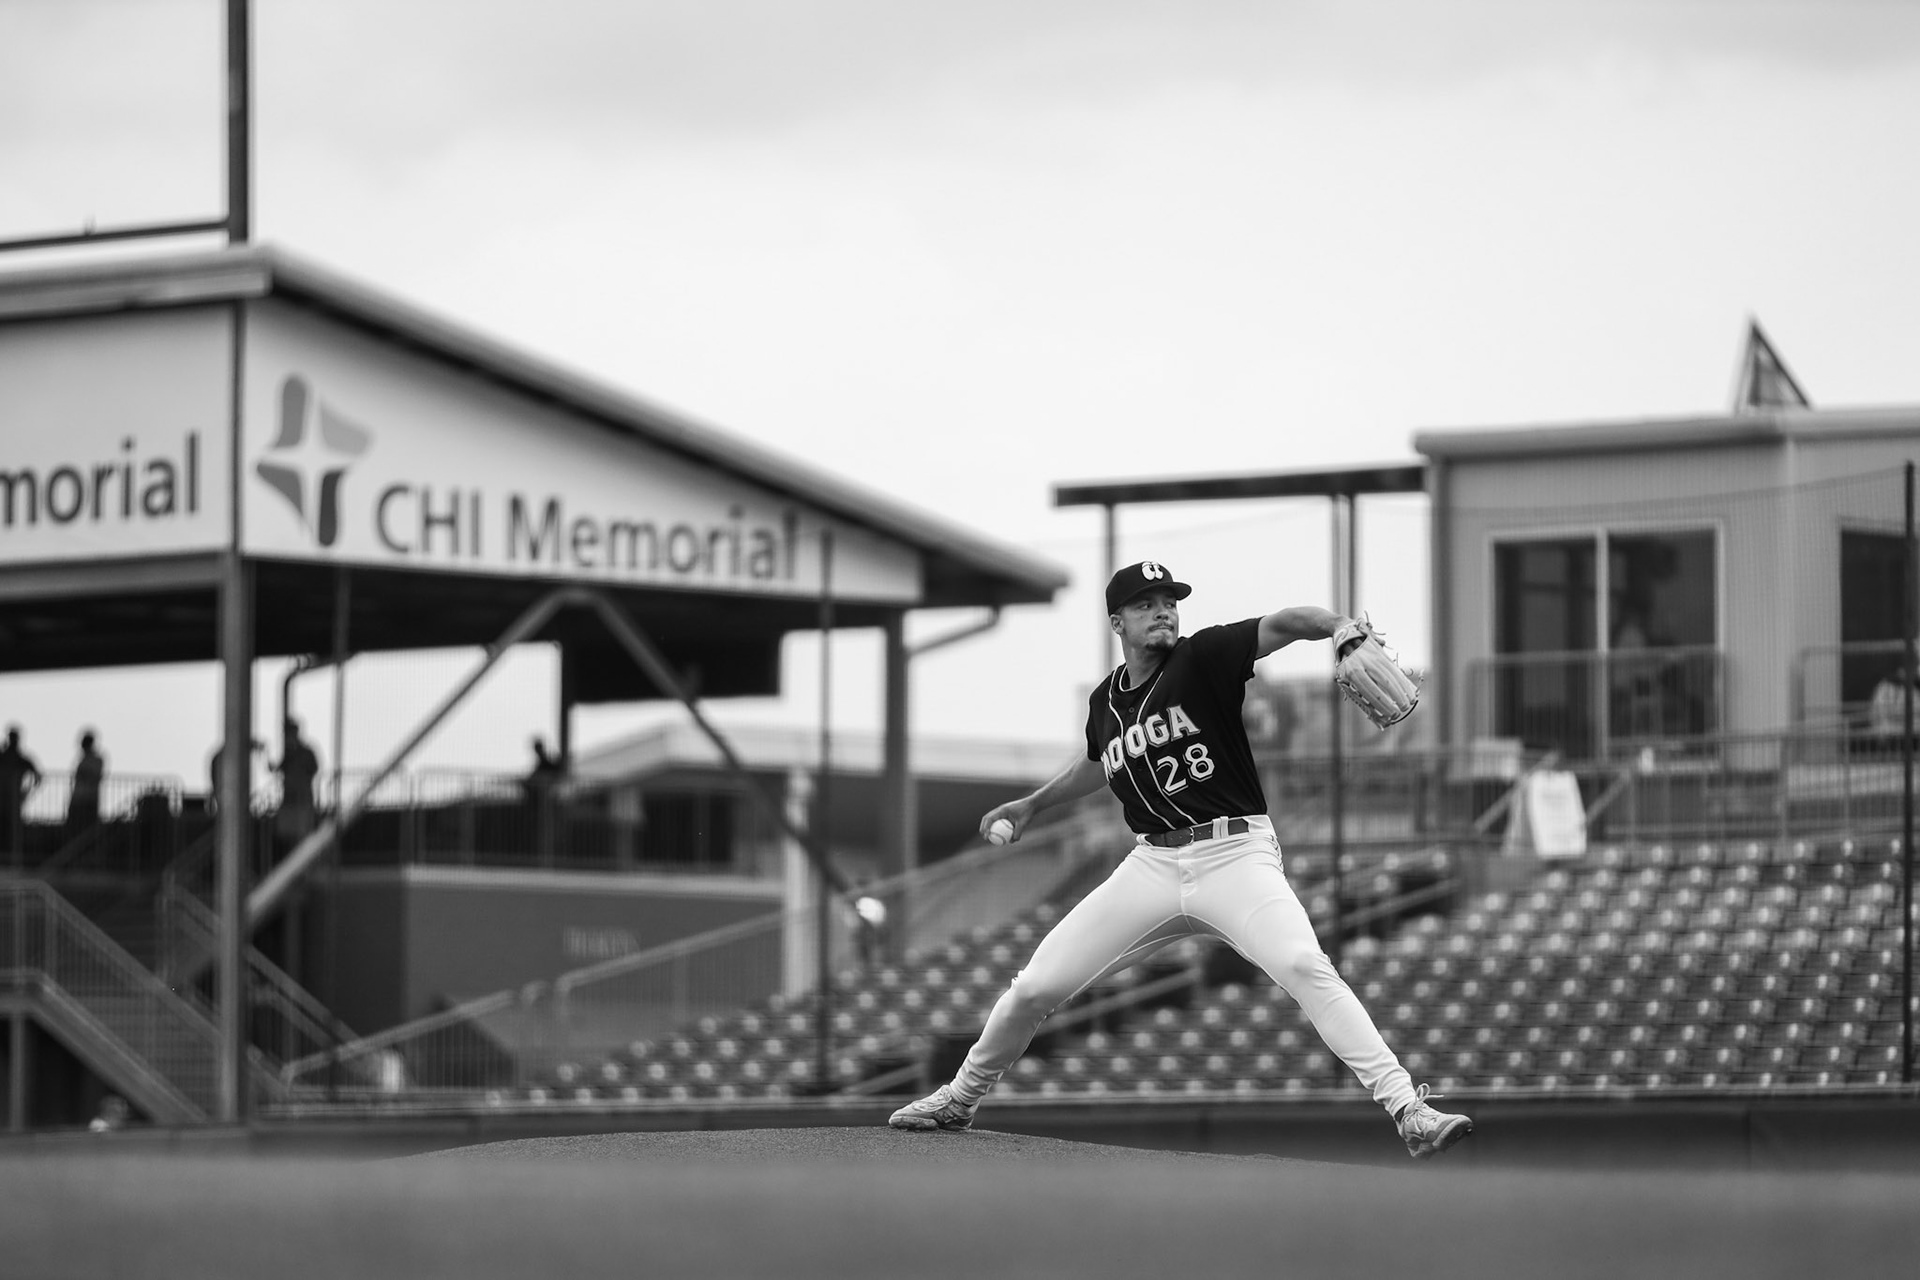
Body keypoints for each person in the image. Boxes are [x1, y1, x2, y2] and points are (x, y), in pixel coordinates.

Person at [887, 560, 1473, 1159]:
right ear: (1117, 622)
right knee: (1035, 987)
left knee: (1303, 963)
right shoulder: (1105, 702)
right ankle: (960, 1097)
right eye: (1146, 603)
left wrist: (1340, 626)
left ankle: (1409, 1110)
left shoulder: (1205, 658)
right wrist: (1035, 804)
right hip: (1151, 867)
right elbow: (1098, 760)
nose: (1163, 609)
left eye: (1169, 600)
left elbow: (1289, 621)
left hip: (1234, 855)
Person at [273, 719, 321, 854]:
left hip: (302, 800)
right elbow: (279, 769)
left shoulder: (306, 752)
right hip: (289, 801)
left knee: (303, 836)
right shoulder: (288, 754)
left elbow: (314, 768)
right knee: (289, 838)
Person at [0, 725, 41, 858]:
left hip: (13, 800)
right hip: (5, 799)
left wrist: (26, 792)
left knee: (12, 830)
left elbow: (37, 776)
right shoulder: (4, 756)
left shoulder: (21, 759)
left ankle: (12, 857)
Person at [66, 730, 105, 839]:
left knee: (87, 829)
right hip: (79, 798)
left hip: (88, 799)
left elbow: (96, 776)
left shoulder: (96, 759)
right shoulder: (83, 759)